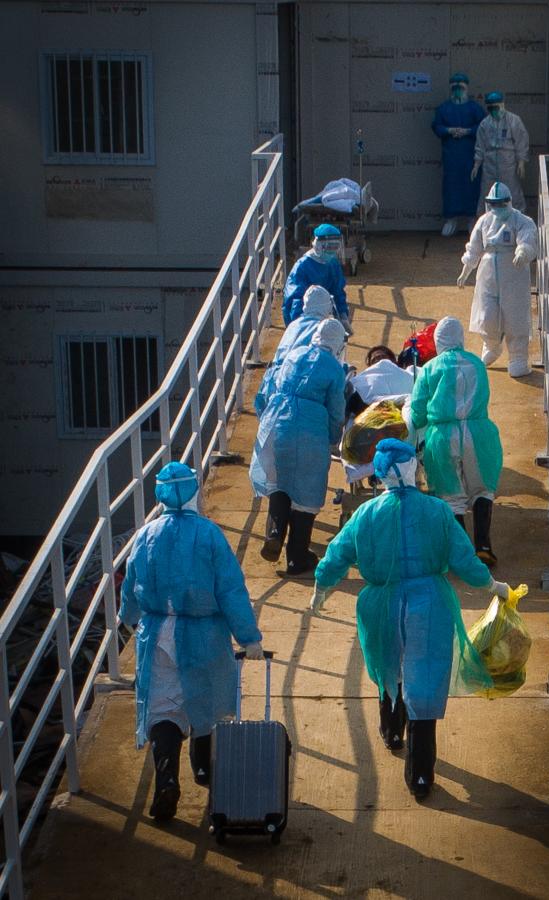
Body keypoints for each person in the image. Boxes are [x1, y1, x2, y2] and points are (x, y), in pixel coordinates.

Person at [309, 439, 509, 800]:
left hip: (380, 603)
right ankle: (420, 774)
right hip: (429, 602)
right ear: (412, 469)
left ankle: (391, 730)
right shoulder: (437, 511)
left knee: (388, 666)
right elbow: (465, 561)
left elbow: (337, 554)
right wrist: (493, 586)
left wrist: (321, 588)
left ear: (380, 474)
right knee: (425, 678)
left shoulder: (366, 514)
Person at [120, 462, 263, 822]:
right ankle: (204, 771)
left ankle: (167, 779)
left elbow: (130, 588)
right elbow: (230, 590)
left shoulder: (145, 535)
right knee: (207, 705)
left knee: (163, 709)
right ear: (194, 492)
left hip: (157, 634)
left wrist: (130, 618)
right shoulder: (209, 534)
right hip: (203, 633)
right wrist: (248, 637)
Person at [250, 319, 346, 575]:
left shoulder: (294, 354)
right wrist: (334, 438)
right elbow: (336, 409)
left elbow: (268, 385)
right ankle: (297, 556)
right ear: (337, 343)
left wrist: (264, 415)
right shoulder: (334, 369)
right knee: (307, 489)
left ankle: (274, 532)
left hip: (276, 419)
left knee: (278, 482)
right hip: (309, 427)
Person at [408, 316, 503, 566]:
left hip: (443, 435)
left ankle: (461, 554)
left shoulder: (430, 368)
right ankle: (483, 546)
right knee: (482, 489)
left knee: (450, 494)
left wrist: (416, 424)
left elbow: (418, 409)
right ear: (461, 338)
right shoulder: (477, 364)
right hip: (479, 432)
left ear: (438, 341)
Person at [457, 181, 538, 378]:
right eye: (493, 204)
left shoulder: (522, 220)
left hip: (513, 273)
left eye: (501, 204)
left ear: (508, 202)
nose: (497, 208)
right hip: (488, 272)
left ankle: (518, 357)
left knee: (515, 314)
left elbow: (528, 238)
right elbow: (474, 248)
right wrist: (466, 270)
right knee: (487, 313)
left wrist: (522, 251)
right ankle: (492, 344)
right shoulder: (484, 221)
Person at [255, 284, 334, 417]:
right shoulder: (321, 330)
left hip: (271, 382)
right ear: (326, 306)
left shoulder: (294, 324)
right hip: (292, 385)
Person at [432, 73, 485, 236]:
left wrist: (468, 131)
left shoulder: (474, 108)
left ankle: (472, 219)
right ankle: (451, 219)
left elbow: (483, 126)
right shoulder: (444, 108)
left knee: (472, 186)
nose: (457, 91)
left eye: (460, 87)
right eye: (454, 88)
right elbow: (436, 126)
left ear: (466, 88)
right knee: (451, 187)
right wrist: (449, 130)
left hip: (471, 156)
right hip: (451, 157)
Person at [283, 224, 352, 333]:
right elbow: (295, 300)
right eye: (330, 247)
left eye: (336, 247)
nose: (332, 251)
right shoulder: (302, 267)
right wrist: (300, 327)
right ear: (319, 245)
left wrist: (343, 316)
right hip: (303, 317)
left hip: (324, 315)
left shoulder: (332, 263)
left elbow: (338, 292)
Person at [471, 91, 529, 213]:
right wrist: (476, 164)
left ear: (502, 105)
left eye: (496, 107)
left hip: (507, 163)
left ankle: (518, 216)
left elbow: (521, 142)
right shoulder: (485, 124)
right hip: (489, 164)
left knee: (512, 191)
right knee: (487, 191)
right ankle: (486, 218)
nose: (494, 111)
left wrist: (521, 162)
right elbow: (480, 146)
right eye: (491, 108)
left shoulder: (513, 120)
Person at [345, 345, 415, 418]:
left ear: (393, 361)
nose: (379, 360)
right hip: (378, 413)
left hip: (406, 407)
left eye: (382, 357)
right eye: (374, 359)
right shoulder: (364, 382)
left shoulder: (408, 373)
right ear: (370, 366)